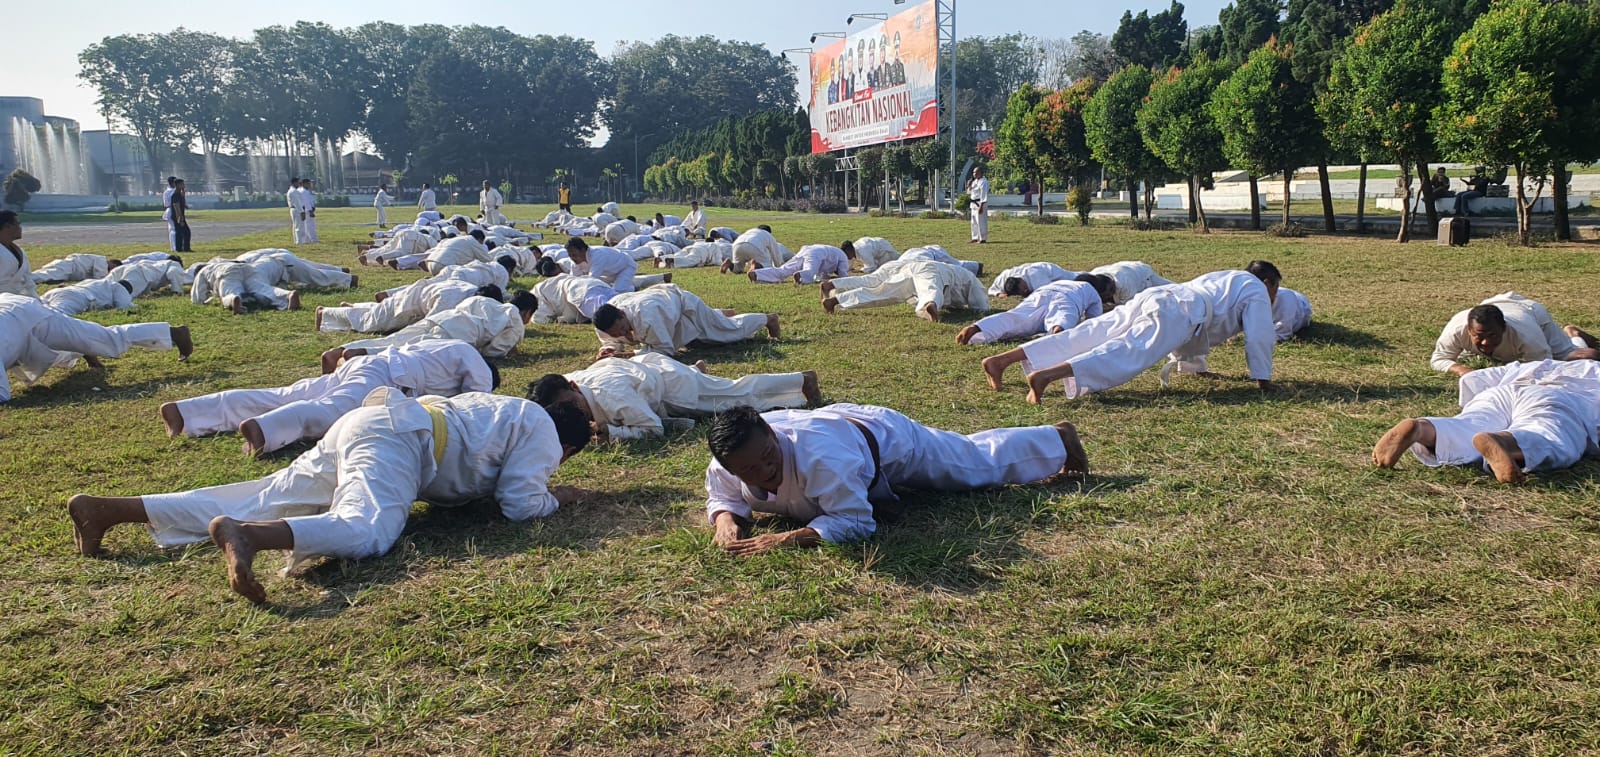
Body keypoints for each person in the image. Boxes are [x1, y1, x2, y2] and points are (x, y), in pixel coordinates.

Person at [67, 388, 595, 604]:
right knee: (367, 529)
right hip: (400, 441)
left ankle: (107, 510)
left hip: (369, 422)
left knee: (262, 493)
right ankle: (247, 537)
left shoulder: (501, 407)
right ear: (568, 446)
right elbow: (521, 504)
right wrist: (560, 497)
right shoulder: (544, 431)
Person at [701, 404, 1087, 554]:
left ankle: (1057, 438)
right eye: (748, 470)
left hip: (885, 439)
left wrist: (785, 538)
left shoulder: (820, 458)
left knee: (971, 466)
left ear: (772, 434)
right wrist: (725, 521)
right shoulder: (727, 462)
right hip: (839, 432)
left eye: (768, 458)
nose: (763, 472)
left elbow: (855, 521)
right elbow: (723, 495)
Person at [982, 262, 1282, 404]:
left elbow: (1199, 326)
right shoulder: (1255, 289)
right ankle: (1046, 376)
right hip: (1179, 310)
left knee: (1091, 331)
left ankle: (1001, 361)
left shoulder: (1226, 275)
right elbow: (1260, 336)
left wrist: (1193, 367)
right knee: (1127, 351)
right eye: (1275, 290)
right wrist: (1263, 379)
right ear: (1267, 282)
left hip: (1160, 297)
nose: (1274, 297)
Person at [162, 338, 498, 457]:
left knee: (284, 394)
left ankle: (187, 412)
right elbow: (475, 406)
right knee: (332, 412)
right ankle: (265, 431)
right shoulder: (477, 366)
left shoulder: (446, 345)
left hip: (369, 366)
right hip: (388, 378)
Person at [1373, 359, 1600, 484]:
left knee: (1467, 424)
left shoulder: (1536, 364)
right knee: (1546, 433)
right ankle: (1504, 442)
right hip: (1557, 399)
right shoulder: (1595, 370)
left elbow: (1474, 377)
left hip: (1502, 391)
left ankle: (1422, 429)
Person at [528, 354, 821, 441]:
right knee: (722, 390)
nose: (574, 413)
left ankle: (801, 380)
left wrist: (612, 432)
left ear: (574, 387)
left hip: (673, 387)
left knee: (737, 395)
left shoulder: (612, 396)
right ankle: (696, 370)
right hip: (646, 370)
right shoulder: (565, 383)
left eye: (572, 405)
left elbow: (653, 428)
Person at [0, 292, 192, 402]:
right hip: (13, 320)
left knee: (108, 340)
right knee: (53, 353)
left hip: (28, 314)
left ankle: (174, 333)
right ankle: (85, 349)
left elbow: (2, 395)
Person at [330, 294, 529, 368]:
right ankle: (364, 353)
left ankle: (346, 348)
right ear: (527, 313)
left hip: (441, 318)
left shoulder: (483, 300)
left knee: (397, 338)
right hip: (460, 332)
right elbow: (494, 351)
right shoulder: (515, 320)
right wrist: (507, 352)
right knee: (410, 349)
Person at [1430, 293, 1600, 376]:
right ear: (1469, 330)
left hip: (1531, 313)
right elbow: (1438, 359)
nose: (1485, 342)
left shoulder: (1527, 335)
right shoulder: (1456, 329)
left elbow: (1544, 369)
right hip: (1494, 304)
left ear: (1504, 329)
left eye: (1493, 336)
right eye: (1479, 336)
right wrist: (1462, 370)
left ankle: (1573, 334)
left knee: (1580, 357)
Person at [593, 284, 777, 358]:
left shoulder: (648, 317)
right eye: (616, 333)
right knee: (698, 344)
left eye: (623, 328)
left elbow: (665, 351)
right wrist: (609, 349)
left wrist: (628, 354)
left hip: (684, 306)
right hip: (668, 314)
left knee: (725, 332)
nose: (623, 334)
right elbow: (609, 340)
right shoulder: (604, 324)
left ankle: (768, 319)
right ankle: (718, 314)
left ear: (622, 314)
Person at [957, 276, 1111, 346]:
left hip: (1040, 294)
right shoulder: (1091, 290)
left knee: (1016, 318)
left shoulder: (1063, 281)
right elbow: (1093, 321)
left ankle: (977, 328)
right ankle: (1056, 332)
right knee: (1063, 320)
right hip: (1067, 299)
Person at [820, 259, 989, 321]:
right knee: (931, 290)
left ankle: (835, 300)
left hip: (911, 268)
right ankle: (929, 305)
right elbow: (981, 307)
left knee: (881, 292)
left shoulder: (964, 274)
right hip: (930, 270)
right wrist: (981, 311)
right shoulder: (974, 283)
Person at [317, 279, 499, 334]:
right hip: (406, 305)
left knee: (377, 313)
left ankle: (353, 306)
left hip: (416, 302)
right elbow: (431, 325)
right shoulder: (450, 300)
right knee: (368, 322)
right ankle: (325, 312)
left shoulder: (470, 288)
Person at [190, 258, 300, 315]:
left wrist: (203, 301)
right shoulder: (220, 263)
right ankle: (287, 295)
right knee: (262, 289)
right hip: (247, 268)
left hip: (227, 272)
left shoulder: (203, 271)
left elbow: (197, 297)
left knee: (230, 293)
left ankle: (234, 299)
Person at [565, 237, 667, 293]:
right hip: (609, 272)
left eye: (574, 255)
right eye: (570, 256)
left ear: (583, 250)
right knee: (611, 286)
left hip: (626, 266)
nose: (573, 258)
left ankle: (633, 289)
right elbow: (573, 279)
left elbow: (592, 280)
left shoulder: (597, 255)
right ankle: (662, 277)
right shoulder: (574, 262)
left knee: (618, 290)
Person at [530, 274, 617, 324]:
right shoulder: (542, 287)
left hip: (577, 291)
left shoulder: (535, 297)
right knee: (619, 302)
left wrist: (559, 320)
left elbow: (540, 319)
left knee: (609, 317)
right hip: (594, 283)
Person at [748, 243, 850, 285]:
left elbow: (823, 276)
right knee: (809, 272)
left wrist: (829, 278)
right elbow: (843, 275)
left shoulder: (835, 252)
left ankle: (757, 274)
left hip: (806, 250)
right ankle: (800, 275)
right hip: (816, 254)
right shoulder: (844, 257)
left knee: (784, 270)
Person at [1088, 261, 1175, 307]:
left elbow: (1128, 310)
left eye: (1111, 291)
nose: (1111, 294)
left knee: (1174, 290)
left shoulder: (1126, 283)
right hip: (1123, 267)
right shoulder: (1092, 277)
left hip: (1144, 276)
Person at [41, 278, 134, 316]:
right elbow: (124, 305)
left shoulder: (95, 281)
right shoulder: (119, 287)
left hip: (58, 291)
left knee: (36, 308)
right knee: (55, 317)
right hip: (77, 297)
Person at [723, 226, 792, 273]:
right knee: (766, 265)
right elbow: (775, 254)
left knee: (738, 268)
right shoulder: (768, 235)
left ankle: (730, 264)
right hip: (754, 244)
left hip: (737, 244)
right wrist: (779, 267)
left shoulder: (751, 231)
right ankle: (755, 266)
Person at [987, 262, 1078, 298]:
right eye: (1019, 293)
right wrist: (998, 294)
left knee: (1076, 278)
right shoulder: (1004, 277)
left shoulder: (1035, 276)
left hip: (1051, 271)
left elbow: (1048, 293)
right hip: (1032, 267)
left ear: (1020, 281)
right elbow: (992, 289)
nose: (1024, 292)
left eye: (1023, 289)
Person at [0, 210, 37, 299]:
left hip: (17, 299)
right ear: (7, 226)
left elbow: (28, 280)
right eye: (18, 224)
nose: (20, 228)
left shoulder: (19, 251)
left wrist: (36, 300)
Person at [108, 258, 187, 298]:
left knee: (104, 283)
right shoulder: (175, 264)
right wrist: (177, 291)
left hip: (128, 267)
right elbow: (174, 273)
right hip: (141, 273)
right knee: (121, 293)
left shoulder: (158, 263)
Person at [32, 253, 118, 284]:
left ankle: (27, 278)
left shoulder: (100, 262)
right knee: (43, 276)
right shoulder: (101, 261)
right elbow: (100, 277)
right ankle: (25, 278)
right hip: (68, 267)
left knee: (45, 276)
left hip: (68, 270)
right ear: (113, 264)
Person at [968, 166, 990, 243]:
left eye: (976, 172)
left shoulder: (984, 182)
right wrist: (969, 186)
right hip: (973, 203)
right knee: (974, 222)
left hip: (980, 203)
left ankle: (982, 238)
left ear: (981, 173)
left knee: (981, 221)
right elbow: (970, 193)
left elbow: (983, 195)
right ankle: (975, 237)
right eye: (974, 172)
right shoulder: (974, 182)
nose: (974, 174)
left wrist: (981, 206)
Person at [171, 178, 192, 253]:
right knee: (186, 232)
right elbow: (176, 207)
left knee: (179, 232)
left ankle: (179, 248)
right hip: (178, 216)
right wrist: (180, 218)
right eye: (182, 184)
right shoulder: (175, 195)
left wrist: (183, 193)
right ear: (177, 185)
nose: (184, 185)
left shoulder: (179, 194)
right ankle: (186, 248)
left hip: (180, 215)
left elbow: (183, 202)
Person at [285, 179, 305, 245]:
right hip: (297, 209)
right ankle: (299, 241)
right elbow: (297, 203)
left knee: (296, 225)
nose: (299, 184)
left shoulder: (292, 191)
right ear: (295, 183)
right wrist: (302, 211)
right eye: (298, 183)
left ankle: (297, 240)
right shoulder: (293, 191)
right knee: (299, 226)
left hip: (294, 209)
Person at [162, 176, 179, 252]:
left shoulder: (166, 192)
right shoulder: (172, 191)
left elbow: (165, 204)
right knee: (173, 229)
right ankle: (174, 247)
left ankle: (174, 246)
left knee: (172, 229)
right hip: (172, 210)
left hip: (170, 210)